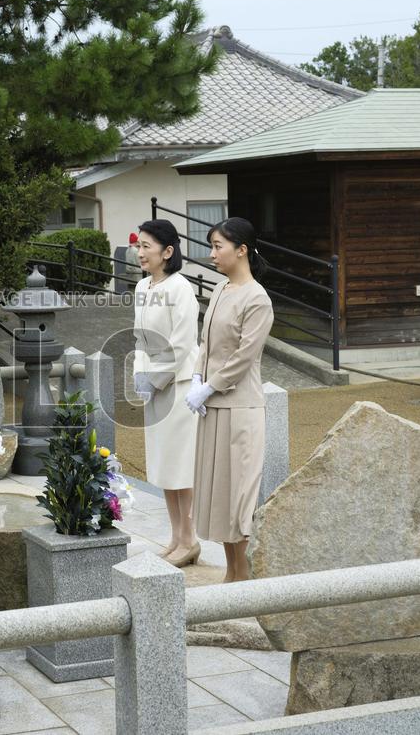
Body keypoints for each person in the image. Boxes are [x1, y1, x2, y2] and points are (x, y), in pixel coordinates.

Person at [185, 217, 274, 582]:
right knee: (218, 493)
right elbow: (208, 342)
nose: (212, 254)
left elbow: (244, 355)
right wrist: (196, 375)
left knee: (239, 495)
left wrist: (209, 386)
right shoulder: (221, 289)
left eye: (218, 246)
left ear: (241, 250)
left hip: (240, 408)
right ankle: (231, 572)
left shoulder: (257, 298)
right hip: (214, 408)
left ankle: (243, 573)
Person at [132, 219, 201, 567]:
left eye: (147, 246)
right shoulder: (142, 287)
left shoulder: (181, 289)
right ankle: (176, 537)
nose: (140, 252)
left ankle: (189, 540)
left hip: (179, 385)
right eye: (139, 245)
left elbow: (182, 342)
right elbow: (140, 339)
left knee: (179, 466)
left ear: (167, 251)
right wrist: (139, 376)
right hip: (155, 386)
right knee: (163, 465)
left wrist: (156, 378)